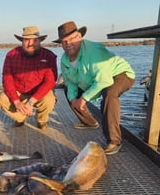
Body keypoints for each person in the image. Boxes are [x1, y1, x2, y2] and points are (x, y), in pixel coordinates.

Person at [53, 21, 135, 155]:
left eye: (72, 39)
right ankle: (90, 122)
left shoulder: (94, 50)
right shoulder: (64, 59)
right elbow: (70, 82)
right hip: (93, 80)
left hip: (119, 74)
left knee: (110, 93)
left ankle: (114, 141)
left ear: (79, 36)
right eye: (64, 41)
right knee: (70, 93)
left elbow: (104, 80)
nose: (68, 44)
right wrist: (74, 99)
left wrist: (84, 98)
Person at [0, 26, 58, 130]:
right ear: (22, 41)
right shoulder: (11, 55)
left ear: (40, 41)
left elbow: (50, 81)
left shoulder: (49, 56)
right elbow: (7, 80)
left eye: (35, 40)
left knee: (49, 99)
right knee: (2, 98)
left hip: (38, 93)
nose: (31, 43)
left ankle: (41, 120)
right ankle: (21, 118)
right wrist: (16, 101)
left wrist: (31, 102)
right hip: (19, 92)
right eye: (27, 40)